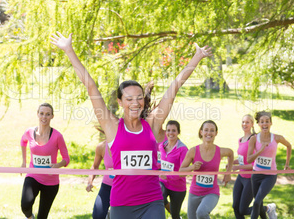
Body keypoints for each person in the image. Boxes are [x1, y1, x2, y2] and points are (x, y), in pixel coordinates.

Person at [50, 32, 212, 219]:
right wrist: (69, 50)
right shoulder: (112, 126)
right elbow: (91, 87)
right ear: (120, 102)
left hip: (152, 201)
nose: (135, 103)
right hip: (121, 203)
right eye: (129, 99)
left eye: (139, 98)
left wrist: (197, 56)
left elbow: (173, 88)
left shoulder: (152, 123)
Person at [20, 103, 70, 219]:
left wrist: (58, 165)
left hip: (51, 181)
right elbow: (23, 141)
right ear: (37, 114)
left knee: (42, 216)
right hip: (33, 176)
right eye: (41, 113)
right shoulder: (30, 132)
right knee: (25, 205)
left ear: (52, 116)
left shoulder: (57, 136)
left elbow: (66, 159)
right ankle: (30, 217)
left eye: (48, 114)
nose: (44, 117)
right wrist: (24, 161)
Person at [179, 120, 234, 219]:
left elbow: (230, 153)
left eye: (212, 130)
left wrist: (228, 173)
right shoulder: (193, 151)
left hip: (211, 193)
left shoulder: (220, 151)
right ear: (201, 132)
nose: (209, 133)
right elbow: (181, 173)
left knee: (201, 213)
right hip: (194, 193)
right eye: (206, 130)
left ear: (216, 133)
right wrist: (192, 167)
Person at [247, 111, 292, 219]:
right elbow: (249, 159)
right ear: (258, 124)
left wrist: (287, 164)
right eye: (262, 122)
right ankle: (269, 212)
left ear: (271, 123)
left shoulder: (276, 138)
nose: (265, 124)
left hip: (270, 175)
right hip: (256, 174)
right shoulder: (254, 138)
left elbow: (289, 146)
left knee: (257, 202)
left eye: (267, 121)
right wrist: (260, 150)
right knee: (259, 203)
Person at [159, 120, 188, 219]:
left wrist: (168, 176)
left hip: (178, 187)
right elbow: (159, 164)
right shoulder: (161, 146)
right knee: (158, 198)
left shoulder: (183, 149)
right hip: (163, 183)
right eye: (168, 130)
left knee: (175, 215)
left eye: (173, 130)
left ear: (178, 132)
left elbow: (183, 173)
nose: (170, 133)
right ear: (165, 132)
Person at [86, 138, 114, 219]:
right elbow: (95, 166)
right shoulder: (102, 147)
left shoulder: (128, 145)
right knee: (98, 215)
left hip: (124, 187)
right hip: (107, 186)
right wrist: (90, 182)